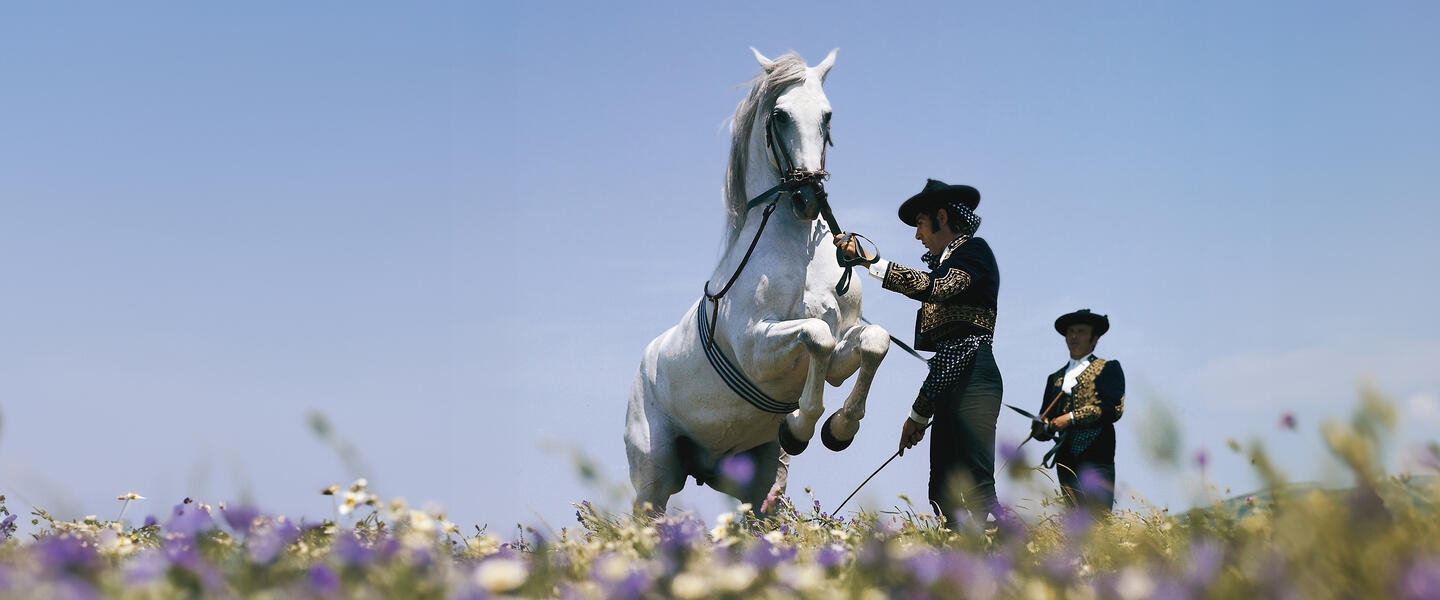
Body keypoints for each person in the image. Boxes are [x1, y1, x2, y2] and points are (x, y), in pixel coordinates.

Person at [835, 178, 1002, 528]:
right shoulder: (946, 263)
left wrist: (871, 263)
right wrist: (920, 415)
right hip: (951, 378)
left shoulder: (974, 252)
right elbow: (945, 357)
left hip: (974, 375)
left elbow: (938, 290)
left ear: (942, 217)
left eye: (920, 225)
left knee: (977, 485)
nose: (917, 236)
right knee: (942, 489)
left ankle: (1019, 556)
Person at [1032, 309, 1125, 513]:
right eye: (1070, 332)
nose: (1074, 336)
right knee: (1076, 521)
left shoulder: (1108, 368)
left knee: (1099, 520)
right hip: (1066, 461)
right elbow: (1045, 418)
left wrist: (1071, 418)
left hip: (1098, 456)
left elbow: (1113, 409)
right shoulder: (1055, 378)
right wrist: (1040, 428)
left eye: (1081, 331)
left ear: (1095, 338)